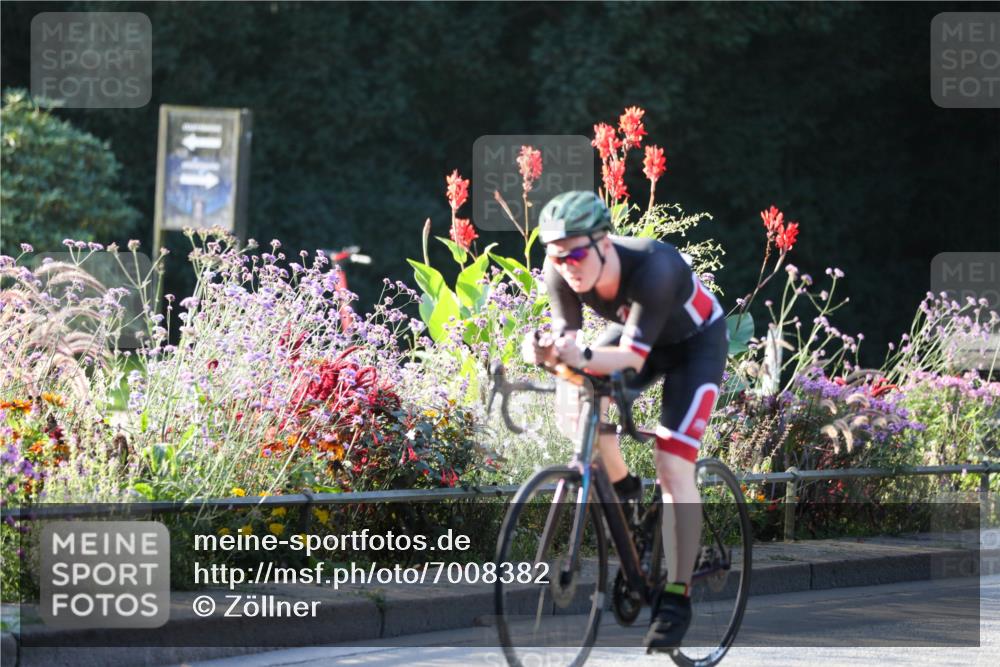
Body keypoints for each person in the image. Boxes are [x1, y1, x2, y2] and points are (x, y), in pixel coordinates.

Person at [521, 190, 728, 652]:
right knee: (576, 399)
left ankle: (677, 597)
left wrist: (584, 356)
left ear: (605, 243)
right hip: (637, 340)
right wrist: (544, 353)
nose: (566, 264)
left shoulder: (656, 267)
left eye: (575, 253)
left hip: (693, 345)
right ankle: (626, 490)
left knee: (673, 463)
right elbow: (568, 344)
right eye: (556, 255)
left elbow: (631, 359)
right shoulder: (561, 271)